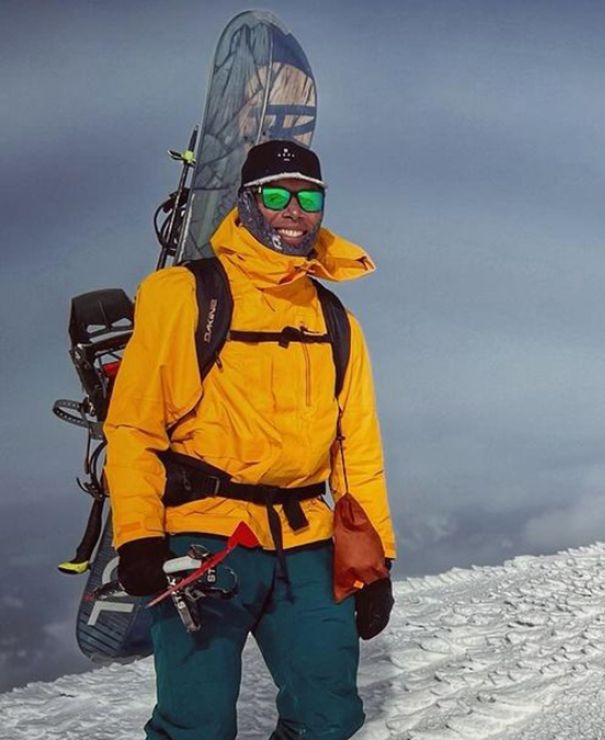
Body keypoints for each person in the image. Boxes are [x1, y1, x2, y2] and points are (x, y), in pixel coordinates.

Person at [104, 140, 396, 739]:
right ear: (247, 200)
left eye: (308, 195)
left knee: (329, 717)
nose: (294, 208)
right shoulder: (182, 295)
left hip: (306, 538)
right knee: (198, 725)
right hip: (205, 540)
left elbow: (357, 451)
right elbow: (134, 427)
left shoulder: (337, 322)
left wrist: (375, 562)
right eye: (277, 193)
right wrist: (137, 536)